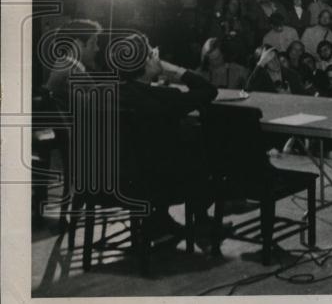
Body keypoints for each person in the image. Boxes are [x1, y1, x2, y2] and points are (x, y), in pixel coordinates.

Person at [112, 32, 217, 246]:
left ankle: (159, 221)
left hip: (113, 179)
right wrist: (175, 70)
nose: (158, 57)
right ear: (145, 63)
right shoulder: (164, 98)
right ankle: (200, 222)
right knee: (202, 151)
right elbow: (208, 90)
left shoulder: (109, 94)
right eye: (153, 54)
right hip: (154, 184)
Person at [44, 19, 102, 111]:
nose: (97, 49)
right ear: (77, 45)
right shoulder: (71, 71)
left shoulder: (65, 65)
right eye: (93, 43)